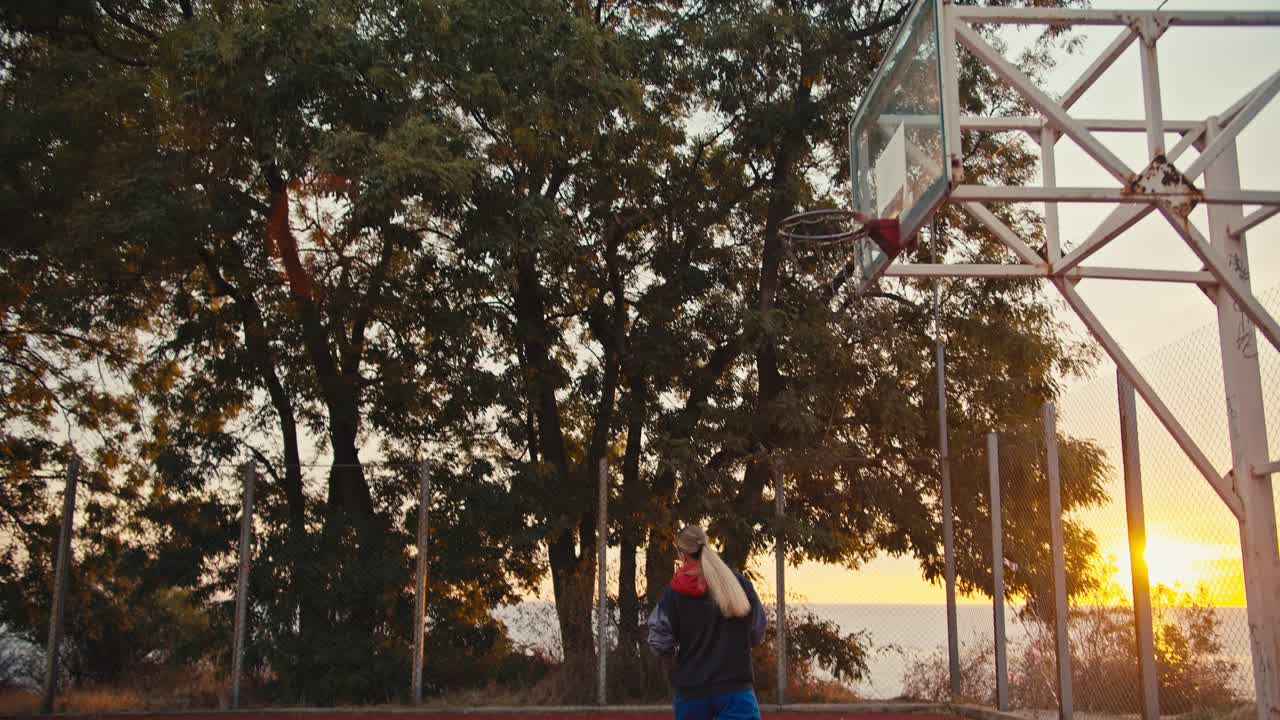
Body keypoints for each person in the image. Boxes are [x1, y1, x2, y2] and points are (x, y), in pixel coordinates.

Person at [646, 525, 767, 720]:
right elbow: (757, 630)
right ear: (707, 546)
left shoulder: (675, 592)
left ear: (682, 555)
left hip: (692, 692)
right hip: (736, 691)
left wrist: (675, 655)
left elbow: (659, 640)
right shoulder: (738, 583)